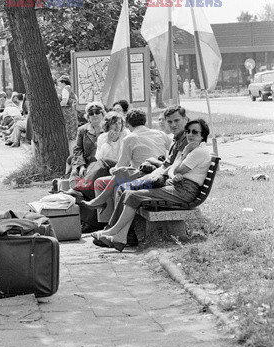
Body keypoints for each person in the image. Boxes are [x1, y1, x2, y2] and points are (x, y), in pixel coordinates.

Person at [92, 118, 212, 251]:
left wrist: (183, 154)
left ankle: (112, 232)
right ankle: (119, 237)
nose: (190, 135)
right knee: (128, 192)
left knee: (133, 195)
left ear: (203, 135)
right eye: (188, 131)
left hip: (183, 191)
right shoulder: (192, 150)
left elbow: (176, 169)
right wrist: (176, 165)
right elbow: (171, 168)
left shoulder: (198, 152)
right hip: (175, 185)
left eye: (195, 132)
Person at [69, 102, 105, 188]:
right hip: (87, 163)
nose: (94, 115)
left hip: (102, 163)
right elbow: (78, 150)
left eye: (97, 112)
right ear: (88, 117)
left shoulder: (108, 129)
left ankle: (81, 191)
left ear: (103, 114)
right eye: (91, 113)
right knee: (75, 173)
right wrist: (81, 166)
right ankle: (74, 192)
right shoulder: (82, 130)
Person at [56, 74, 78, 155]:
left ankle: (70, 155)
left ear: (63, 82)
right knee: (72, 136)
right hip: (71, 113)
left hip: (66, 114)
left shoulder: (65, 89)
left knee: (69, 136)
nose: (58, 84)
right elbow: (75, 100)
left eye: (59, 82)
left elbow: (64, 101)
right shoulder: (70, 89)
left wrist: (57, 106)